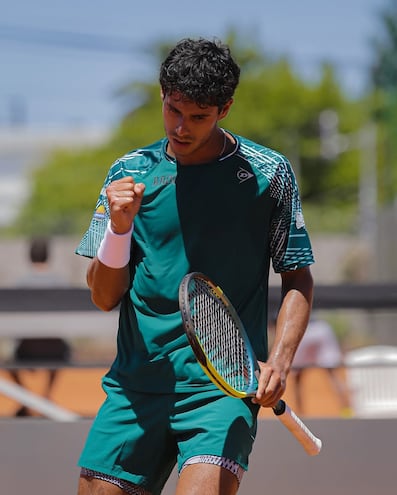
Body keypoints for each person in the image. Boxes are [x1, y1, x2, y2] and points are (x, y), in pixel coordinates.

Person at [75, 37, 314, 495]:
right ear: (162, 95)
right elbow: (104, 297)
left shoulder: (270, 173)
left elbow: (297, 275)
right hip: (134, 388)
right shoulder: (127, 173)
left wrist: (279, 362)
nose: (181, 128)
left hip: (220, 393)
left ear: (225, 109)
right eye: (173, 110)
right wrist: (120, 228)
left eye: (198, 116)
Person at [10, 237, 71, 416]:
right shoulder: (60, 283)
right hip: (56, 350)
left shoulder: (21, 284)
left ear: (29, 256)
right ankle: (45, 397)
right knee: (62, 344)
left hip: (26, 351)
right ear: (48, 256)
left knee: (8, 362)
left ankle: (26, 399)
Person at [290, 315, 351, 416]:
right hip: (322, 329)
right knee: (333, 375)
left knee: (297, 376)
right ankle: (347, 411)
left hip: (301, 328)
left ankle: (299, 416)